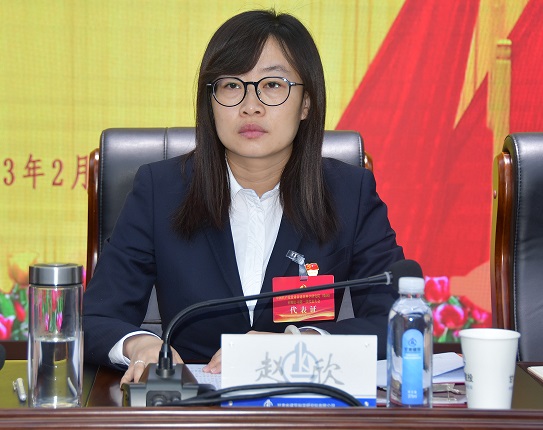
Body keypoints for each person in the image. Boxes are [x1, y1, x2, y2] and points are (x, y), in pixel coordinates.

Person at [83, 9, 404, 386]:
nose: (251, 105)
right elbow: (96, 318)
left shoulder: (350, 193)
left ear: (306, 103)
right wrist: (142, 345)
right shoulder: (160, 190)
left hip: (303, 403)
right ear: (211, 101)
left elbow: (398, 320)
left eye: (273, 84)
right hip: (194, 404)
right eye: (232, 85)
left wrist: (299, 345)